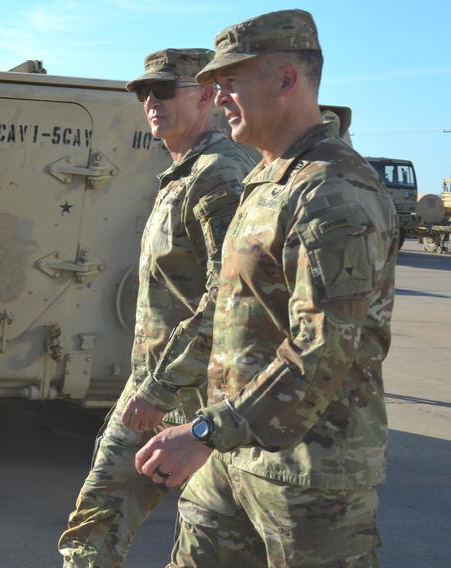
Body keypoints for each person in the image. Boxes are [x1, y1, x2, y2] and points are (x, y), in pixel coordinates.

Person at [134, 9, 397, 567]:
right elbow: (226, 309)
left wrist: (206, 431)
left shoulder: (333, 191)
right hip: (233, 459)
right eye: (214, 84)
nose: (220, 96)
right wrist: (177, 402)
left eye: (231, 81)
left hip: (308, 476)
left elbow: (323, 348)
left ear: (287, 80)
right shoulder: (265, 179)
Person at [58, 48, 255, 568]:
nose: (151, 101)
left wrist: (160, 387)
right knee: (97, 517)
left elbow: (230, 298)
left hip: (199, 393)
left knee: (211, 542)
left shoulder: (220, 177)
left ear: (207, 96)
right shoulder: (185, 173)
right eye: (144, 92)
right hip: (159, 380)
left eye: (166, 90)